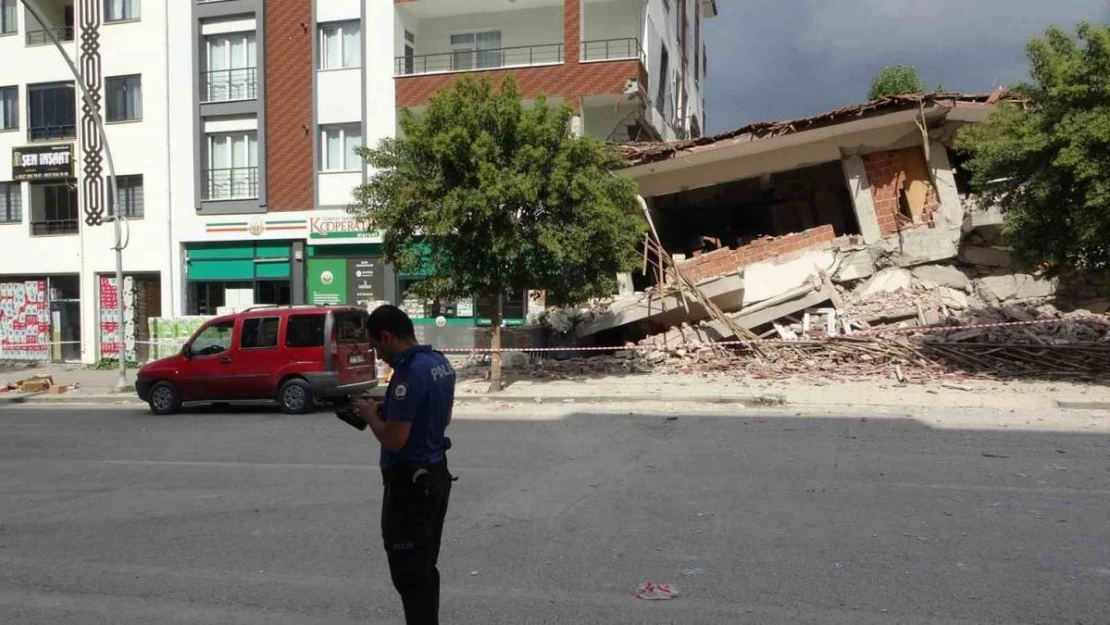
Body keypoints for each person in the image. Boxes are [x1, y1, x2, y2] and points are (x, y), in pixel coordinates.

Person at [352, 305, 456, 625]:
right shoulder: (439, 362)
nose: (378, 355)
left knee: (410, 575)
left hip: (409, 486)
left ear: (387, 337)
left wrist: (371, 416)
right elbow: (440, 417)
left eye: (376, 346)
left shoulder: (408, 373)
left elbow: (394, 440)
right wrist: (391, 407)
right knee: (425, 568)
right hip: (435, 476)